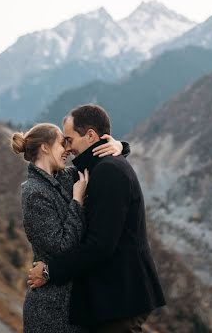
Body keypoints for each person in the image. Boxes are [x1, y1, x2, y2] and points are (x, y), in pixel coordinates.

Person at [27, 104, 165, 333]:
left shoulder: (108, 171)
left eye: (69, 140)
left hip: (120, 297)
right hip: (115, 296)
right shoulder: (100, 167)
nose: (67, 148)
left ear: (90, 135)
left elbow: (100, 246)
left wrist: (49, 271)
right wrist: (122, 147)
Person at [11, 122, 128, 333]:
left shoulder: (62, 177)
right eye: (61, 144)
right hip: (50, 309)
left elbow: (97, 163)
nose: (67, 150)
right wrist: (76, 201)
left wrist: (120, 147)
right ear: (45, 147)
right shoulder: (34, 193)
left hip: (72, 302)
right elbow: (61, 247)